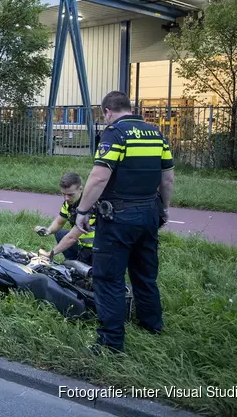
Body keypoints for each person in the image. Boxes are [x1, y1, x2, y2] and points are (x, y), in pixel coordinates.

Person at [75, 91, 175, 353]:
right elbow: (167, 180)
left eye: (104, 114)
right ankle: (152, 326)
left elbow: (98, 178)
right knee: (145, 275)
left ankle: (110, 343)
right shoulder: (156, 134)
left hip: (118, 216)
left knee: (109, 279)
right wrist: (163, 210)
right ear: (129, 108)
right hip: (148, 213)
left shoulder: (114, 134)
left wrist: (82, 211)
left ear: (107, 111)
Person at [34, 173, 96, 265]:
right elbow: (59, 221)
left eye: (70, 195)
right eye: (63, 194)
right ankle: (72, 261)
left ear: (81, 189)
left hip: (95, 248)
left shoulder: (89, 206)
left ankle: (78, 264)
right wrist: (48, 230)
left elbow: (72, 238)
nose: (66, 198)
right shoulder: (68, 203)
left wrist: (50, 253)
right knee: (60, 233)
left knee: (80, 275)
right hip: (81, 244)